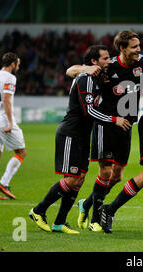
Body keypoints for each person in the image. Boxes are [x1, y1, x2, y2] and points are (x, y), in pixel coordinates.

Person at [67, 31, 143, 232]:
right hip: (106, 125)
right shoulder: (109, 66)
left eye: (139, 46)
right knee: (105, 171)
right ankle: (97, 220)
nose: (138, 50)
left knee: (116, 176)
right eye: (134, 47)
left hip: (126, 126)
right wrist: (86, 69)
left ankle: (86, 204)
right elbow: (71, 71)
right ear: (122, 48)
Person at [29, 45, 130, 234]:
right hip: (71, 133)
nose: (109, 61)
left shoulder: (95, 79)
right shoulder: (86, 79)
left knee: (80, 179)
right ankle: (38, 210)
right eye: (106, 58)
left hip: (82, 135)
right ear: (94, 61)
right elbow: (89, 111)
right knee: (73, 178)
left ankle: (59, 222)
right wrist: (114, 120)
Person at [0, 52, 26, 200]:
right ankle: (4, 183)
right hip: (3, 120)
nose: (18, 67)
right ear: (13, 64)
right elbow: (6, 100)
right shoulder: (10, 78)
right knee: (21, 152)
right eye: (18, 64)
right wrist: (10, 122)